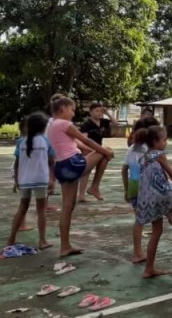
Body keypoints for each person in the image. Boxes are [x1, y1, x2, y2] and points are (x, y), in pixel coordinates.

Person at [47, 96, 114, 257]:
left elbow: (77, 143)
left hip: (60, 167)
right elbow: (85, 139)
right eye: (72, 110)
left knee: (67, 207)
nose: (73, 113)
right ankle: (94, 186)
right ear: (63, 109)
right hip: (72, 163)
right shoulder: (64, 123)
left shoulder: (51, 125)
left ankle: (65, 246)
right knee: (104, 150)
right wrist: (106, 152)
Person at [135, 126, 172, 278]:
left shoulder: (143, 156)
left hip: (147, 198)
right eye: (164, 139)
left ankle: (149, 268)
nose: (166, 142)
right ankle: (170, 209)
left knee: (156, 231)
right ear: (155, 141)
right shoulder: (160, 155)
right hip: (159, 197)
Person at [7, 113, 55, 250]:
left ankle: (11, 239)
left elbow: (16, 164)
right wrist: (52, 179)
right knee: (41, 210)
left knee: (22, 208)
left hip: (24, 179)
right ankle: (42, 241)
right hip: (40, 179)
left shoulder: (21, 142)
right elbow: (52, 162)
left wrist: (16, 181)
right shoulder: (45, 141)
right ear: (43, 127)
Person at [121, 117, 158, 264]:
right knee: (156, 221)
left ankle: (137, 252)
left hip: (134, 184)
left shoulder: (131, 148)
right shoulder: (149, 150)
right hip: (147, 186)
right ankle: (147, 254)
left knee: (139, 220)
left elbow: (124, 170)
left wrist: (126, 189)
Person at [77, 102, 116, 202]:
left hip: (99, 148)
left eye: (100, 111)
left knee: (106, 158)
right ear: (90, 112)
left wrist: (107, 113)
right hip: (88, 149)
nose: (99, 113)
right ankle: (81, 195)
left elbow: (115, 123)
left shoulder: (103, 122)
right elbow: (84, 140)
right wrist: (90, 150)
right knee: (87, 172)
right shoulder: (87, 124)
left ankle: (95, 186)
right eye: (96, 111)